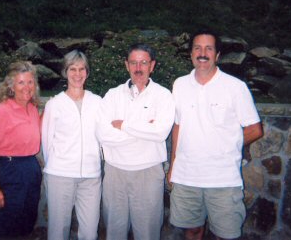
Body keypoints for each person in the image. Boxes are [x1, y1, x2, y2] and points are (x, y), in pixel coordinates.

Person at [168, 29, 264, 240]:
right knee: (192, 232)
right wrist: (173, 167)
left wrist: (227, 145)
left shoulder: (235, 87)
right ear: (191, 53)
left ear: (217, 55)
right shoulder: (179, 85)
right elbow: (178, 127)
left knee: (225, 235)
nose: (203, 53)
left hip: (223, 179)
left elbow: (255, 129)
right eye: (197, 48)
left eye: (208, 48)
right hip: (186, 176)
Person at [96, 43, 175, 240]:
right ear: (126, 65)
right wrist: (143, 128)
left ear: (152, 65)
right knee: (114, 232)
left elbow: (159, 133)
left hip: (148, 173)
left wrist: (123, 125)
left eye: (143, 62)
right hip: (115, 173)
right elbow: (103, 134)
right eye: (133, 62)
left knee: (147, 233)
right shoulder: (112, 95)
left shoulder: (163, 95)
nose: (138, 68)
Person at [42, 50, 102, 240]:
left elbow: (103, 137)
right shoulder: (55, 104)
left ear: (87, 72)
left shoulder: (98, 102)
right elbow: (47, 142)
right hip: (60, 176)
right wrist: (59, 165)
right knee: (58, 231)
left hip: (91, 177)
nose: (78, 74)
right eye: (73, 69)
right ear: (65, 72)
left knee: (90, 232)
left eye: (82, 69)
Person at [0, 61, 43, 239]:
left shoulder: (32, 109)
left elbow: (37, 131)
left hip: (29, 171)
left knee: (23, 226)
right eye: (21, 82)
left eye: (30, 82)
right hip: (7, 172)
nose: (27, 87)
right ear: (11, 86)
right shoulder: (2, 112)